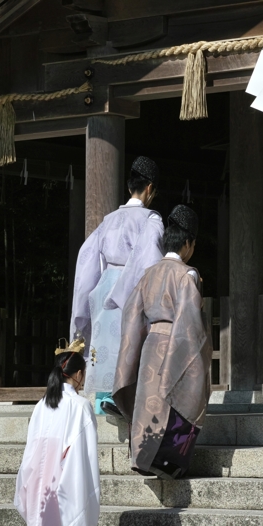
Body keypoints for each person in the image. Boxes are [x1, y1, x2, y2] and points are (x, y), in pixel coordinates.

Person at [112, 205, 212, 480]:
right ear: (188, 244)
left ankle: (143, 457)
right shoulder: (187, 274)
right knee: (174, 397)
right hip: (176, 343)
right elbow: (190, 319)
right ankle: (168, 462)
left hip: (149, 345)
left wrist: (134, 348)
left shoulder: (148, 273)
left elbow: (131, 316)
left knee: (149, 402)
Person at [70, 156, 165, 413]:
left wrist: (82, 311)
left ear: (129, 187)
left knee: (104, 344)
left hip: (104, 286)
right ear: (150, 188)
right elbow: (150, 261)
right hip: (131, 286)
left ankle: (104, 401)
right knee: (129, 343)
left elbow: (87, 262)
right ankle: (122, 399)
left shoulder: (108, 220)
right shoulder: (151, 220)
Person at [14, 339, 100, 526]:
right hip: (66, 480)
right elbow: (84, 456)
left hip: (41, 483)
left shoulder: (42, 405)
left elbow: (31, 451)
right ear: (77, 374)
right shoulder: (80, 406)